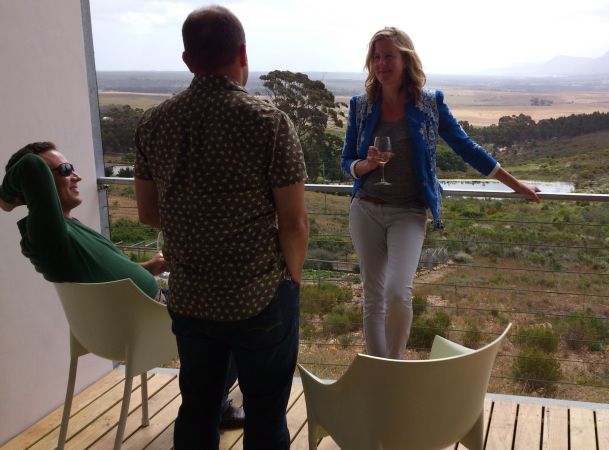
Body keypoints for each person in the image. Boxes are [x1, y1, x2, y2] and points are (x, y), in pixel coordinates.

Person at [134, 6, 308, 449]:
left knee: (198, 407)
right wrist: (292, 279)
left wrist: (196, 224)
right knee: (266, 414)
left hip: (191, 297)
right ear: (243, 54)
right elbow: (294, 222)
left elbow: (148, 213)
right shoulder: (268, 121)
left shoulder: (154, 122)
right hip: (260, 295)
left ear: (187, 60)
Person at [0, 141, 245, 429]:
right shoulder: (47, 236)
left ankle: (216, 397)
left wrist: (150, 267)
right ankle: (215, 407)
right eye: (65, 170)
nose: (76, 176)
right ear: (36, 184)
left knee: (225, 291)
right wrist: (7, 199)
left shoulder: (66, 229)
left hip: (140, 313)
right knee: (234, 316)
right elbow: (31, 166)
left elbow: (105, 280)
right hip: (145, 324)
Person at [341, 27, 541, 359]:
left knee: (397, 293)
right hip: (366, 209)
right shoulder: (361, 106)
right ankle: (379, 372)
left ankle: (395, 366)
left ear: (405, 59)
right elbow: (346, 161)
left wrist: (516, 184)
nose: (381, 64)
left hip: (409, 211)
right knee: (373, 295)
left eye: (389, 56)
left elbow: (467, 148)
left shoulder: (429, 104)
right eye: (376, 57)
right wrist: (366, 165)